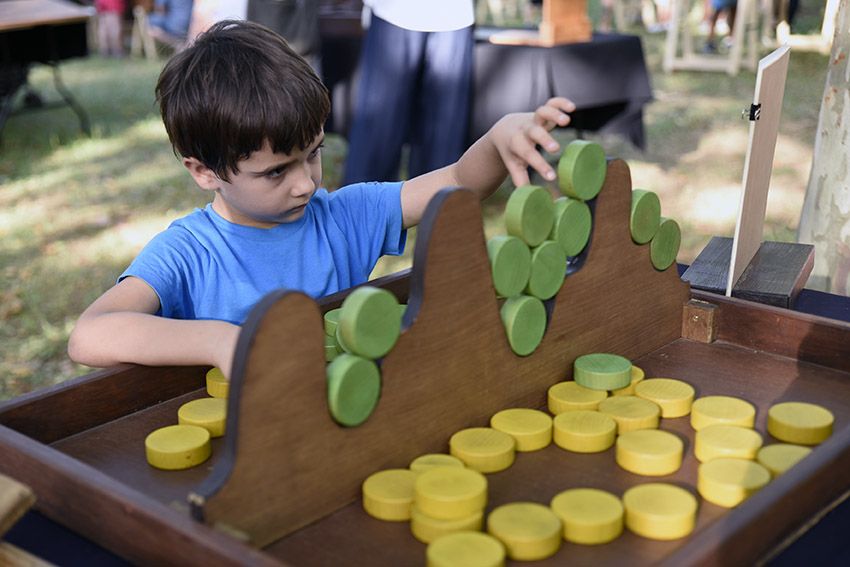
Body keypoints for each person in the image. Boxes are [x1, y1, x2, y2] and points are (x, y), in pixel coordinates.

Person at [67, 20, 575, 378]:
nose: (307, 183)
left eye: (313, 154)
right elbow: (90, 336)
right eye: (276, 172)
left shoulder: (345, 215)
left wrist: (495, 139)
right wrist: (221, 340)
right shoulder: (188, 252)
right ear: (203, 172)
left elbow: (459, 184)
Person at [342, 0, 475, 185]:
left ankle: (439, 209)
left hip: (455, 14)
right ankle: (359, 210)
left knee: (442, 141)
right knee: (377, 133)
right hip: (394, 11)